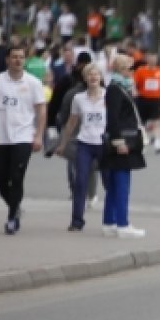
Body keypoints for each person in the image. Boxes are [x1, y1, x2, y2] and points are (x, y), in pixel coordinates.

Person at [0, 44, 46, 234]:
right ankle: (15, 205)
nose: (18, 60)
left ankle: (12, 218)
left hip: (23, 136)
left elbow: (41, 109)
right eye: (14, 57)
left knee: (16, 177)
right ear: (7, 60)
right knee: (1, 179)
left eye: (21, 57)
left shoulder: (33, 83)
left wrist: (38, 135)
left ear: (24, 60)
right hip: (2, 137)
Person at [55, 63, 108, 231]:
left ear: (100, 77)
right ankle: (77, 221)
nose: (93, 78)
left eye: (96, 75)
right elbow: (72, 122)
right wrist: (62, 144)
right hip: (85, 143)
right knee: (80, 182)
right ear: (85, 78)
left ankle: (112, 220)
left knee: (109, 183)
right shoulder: (79, 98)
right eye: (89, 75)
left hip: (103, 144)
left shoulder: (108, 97)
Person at [100, 55, 147, 237]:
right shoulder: (115, 89)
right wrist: (119, 142)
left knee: (113, 184)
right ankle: (123, 224)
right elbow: (113, 118)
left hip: (119, 141)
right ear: (120, 69)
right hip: (121, 143)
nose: (132, 71)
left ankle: (110, 222)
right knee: (121, 185)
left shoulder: (119, 87)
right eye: (130, 68)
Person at [133, 51, 160, 152]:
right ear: (147, 59)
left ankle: (157, 142)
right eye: (150, 58)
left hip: (155, 100)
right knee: (141, 123)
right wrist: (135, 91)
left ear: (157, 59)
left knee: (156, 121)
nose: (152, 60)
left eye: (154, 58)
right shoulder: (140, 71)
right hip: (142, 99)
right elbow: (135, 83)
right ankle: (143, 142)